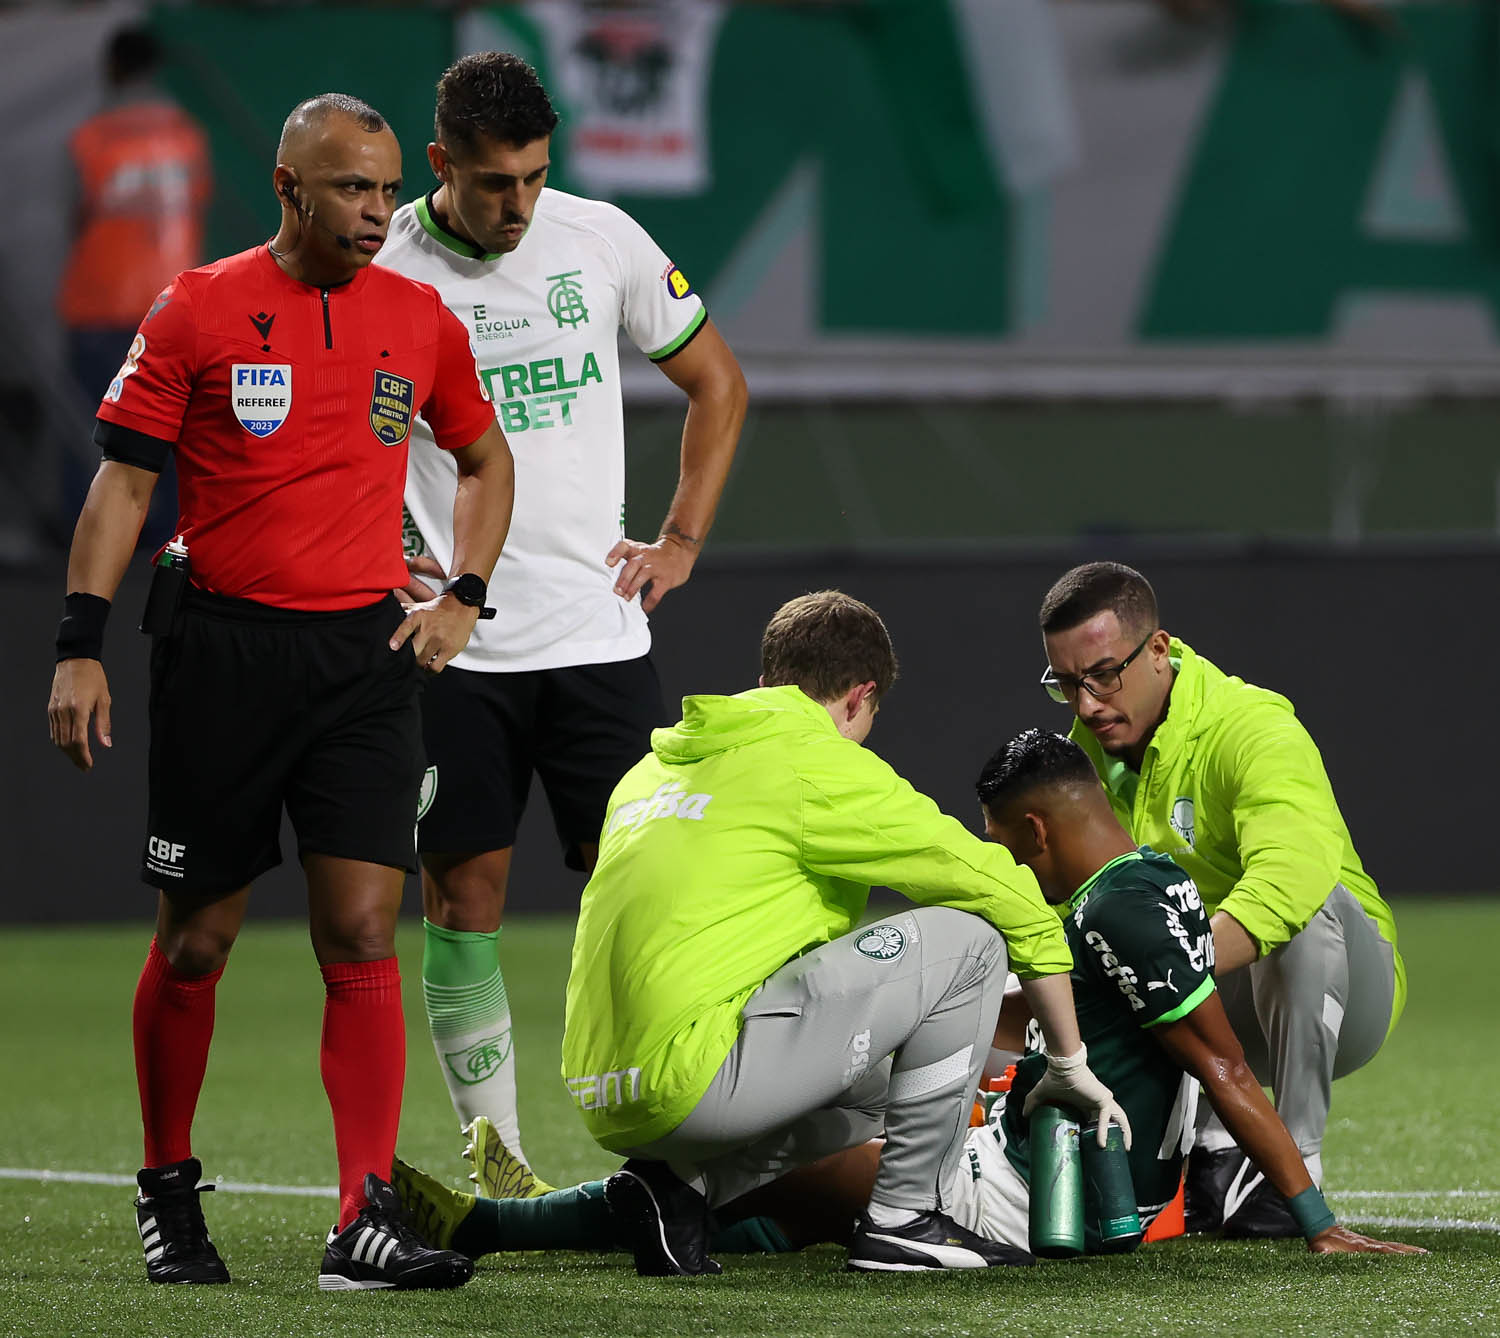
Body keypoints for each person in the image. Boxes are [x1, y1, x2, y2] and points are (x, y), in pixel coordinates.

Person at [45, 93, 516, 1292]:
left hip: (364, 662)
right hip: (222, 658)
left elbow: (484, 457)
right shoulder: (198, 306)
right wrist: (80, 641)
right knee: (197, 943)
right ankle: (165, 1182)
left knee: (362, 929)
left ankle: (362, 1214)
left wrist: (461, 591)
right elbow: (123, 484)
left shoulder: (419, 319)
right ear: (289, 187)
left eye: (386, 188)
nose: (378, 210)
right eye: (352, 188)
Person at [391, 730, 1422, 1262]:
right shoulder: (1148, 881)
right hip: (1041, 1172)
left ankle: (521, 1225)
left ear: (1031, 836)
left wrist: (1317, 1216)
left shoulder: (1118, 910)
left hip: (1014, 1199)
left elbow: (1223, 1065)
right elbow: (1054, 1028)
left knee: (740, 1156)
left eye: (997, 842)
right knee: (774, 1167)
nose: (999, 860)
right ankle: (571, 1222)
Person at [374, 50, 747, 1189]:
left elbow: (719, 386)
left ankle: (667, 1149)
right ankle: (498, 1152)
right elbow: (352, 445)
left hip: (599, 643)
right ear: (442, 165)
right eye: (495, 183)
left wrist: (680, 539)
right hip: (459, 650)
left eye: (536, 176)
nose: (520, 203)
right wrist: (396, 560)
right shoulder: (387, 268)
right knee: (462, 895)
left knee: (639, 896)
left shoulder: (603, 239)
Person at [560, 590, 1126, 1275]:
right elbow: (1005, 890)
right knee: (970, 944)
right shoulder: (815, 764)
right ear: (860, 697)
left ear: (769, 680)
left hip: (603, 1090)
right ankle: (906, 1218)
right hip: (691, 1082)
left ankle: (676, 1187)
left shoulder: (653, 770)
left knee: (888, 1075)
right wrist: (1068, 1064)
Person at [1034, 561, 1405, 1237]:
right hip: (1216, 996)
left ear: (1158, 650)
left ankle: (1296, 1166)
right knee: (1097, 946)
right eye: (1067, 684)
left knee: (1304, 905)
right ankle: (1209, 1158)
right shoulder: (1083, 758)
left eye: (1104, 674)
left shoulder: (1253, 728)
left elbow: (1288, 877)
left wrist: (1169, 965)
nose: (1087, 703)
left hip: (1344, 992)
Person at [57, 24, 212, 548]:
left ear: (114, 67)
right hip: (170, 306)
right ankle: (167, 537)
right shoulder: (188, 137)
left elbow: (73, 216)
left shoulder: (91, 139)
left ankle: (93, 538)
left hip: (99, 303)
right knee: (168, 430)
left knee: (95, 428)